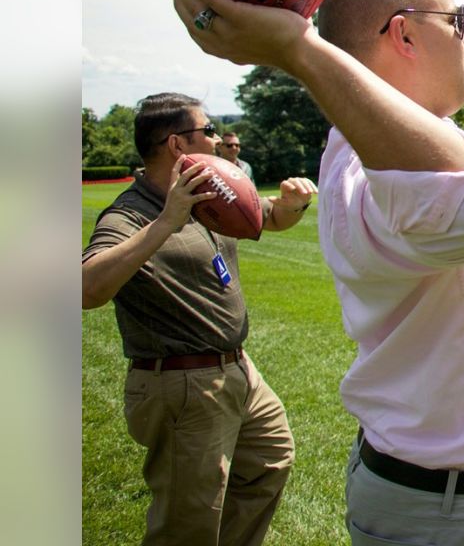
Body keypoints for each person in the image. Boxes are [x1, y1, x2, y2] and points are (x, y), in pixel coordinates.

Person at [172, 0, 464, 545]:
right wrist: (298, 49)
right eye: (457, 21)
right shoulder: (367, 181)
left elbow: (450, 164)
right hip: (452, 515)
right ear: (404, 33)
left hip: (459, 502)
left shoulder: (381, 163)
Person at [81, 92, 317, 546]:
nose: (220, 140)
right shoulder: (131, 213)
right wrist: (166, 221)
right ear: (176, 145)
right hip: (183, 384)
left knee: (269, 462)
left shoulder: (205, 193)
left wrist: (290, 205)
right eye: (208, 131)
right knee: (188, 522)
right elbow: (87, 289)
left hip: (237, 370)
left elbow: (263, 218)